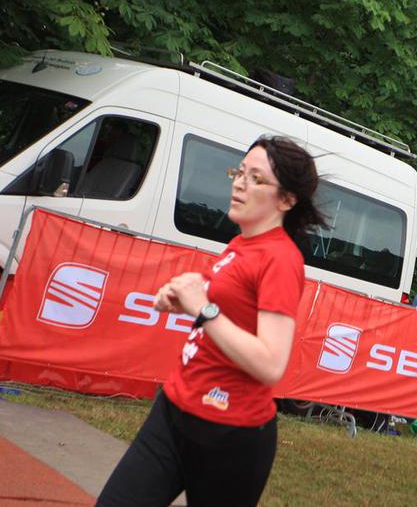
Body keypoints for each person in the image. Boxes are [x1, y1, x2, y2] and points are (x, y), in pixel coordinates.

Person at [98, 135, 325, 507]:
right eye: (240, 172)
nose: (239, 183)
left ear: (286, 200)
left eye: (256, 178)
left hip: (229, 436)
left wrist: (204, 309)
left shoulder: (282, 260)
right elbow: (223, 302)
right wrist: (181, 297)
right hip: (174, 411)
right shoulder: (241, 244)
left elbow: (271, 364)